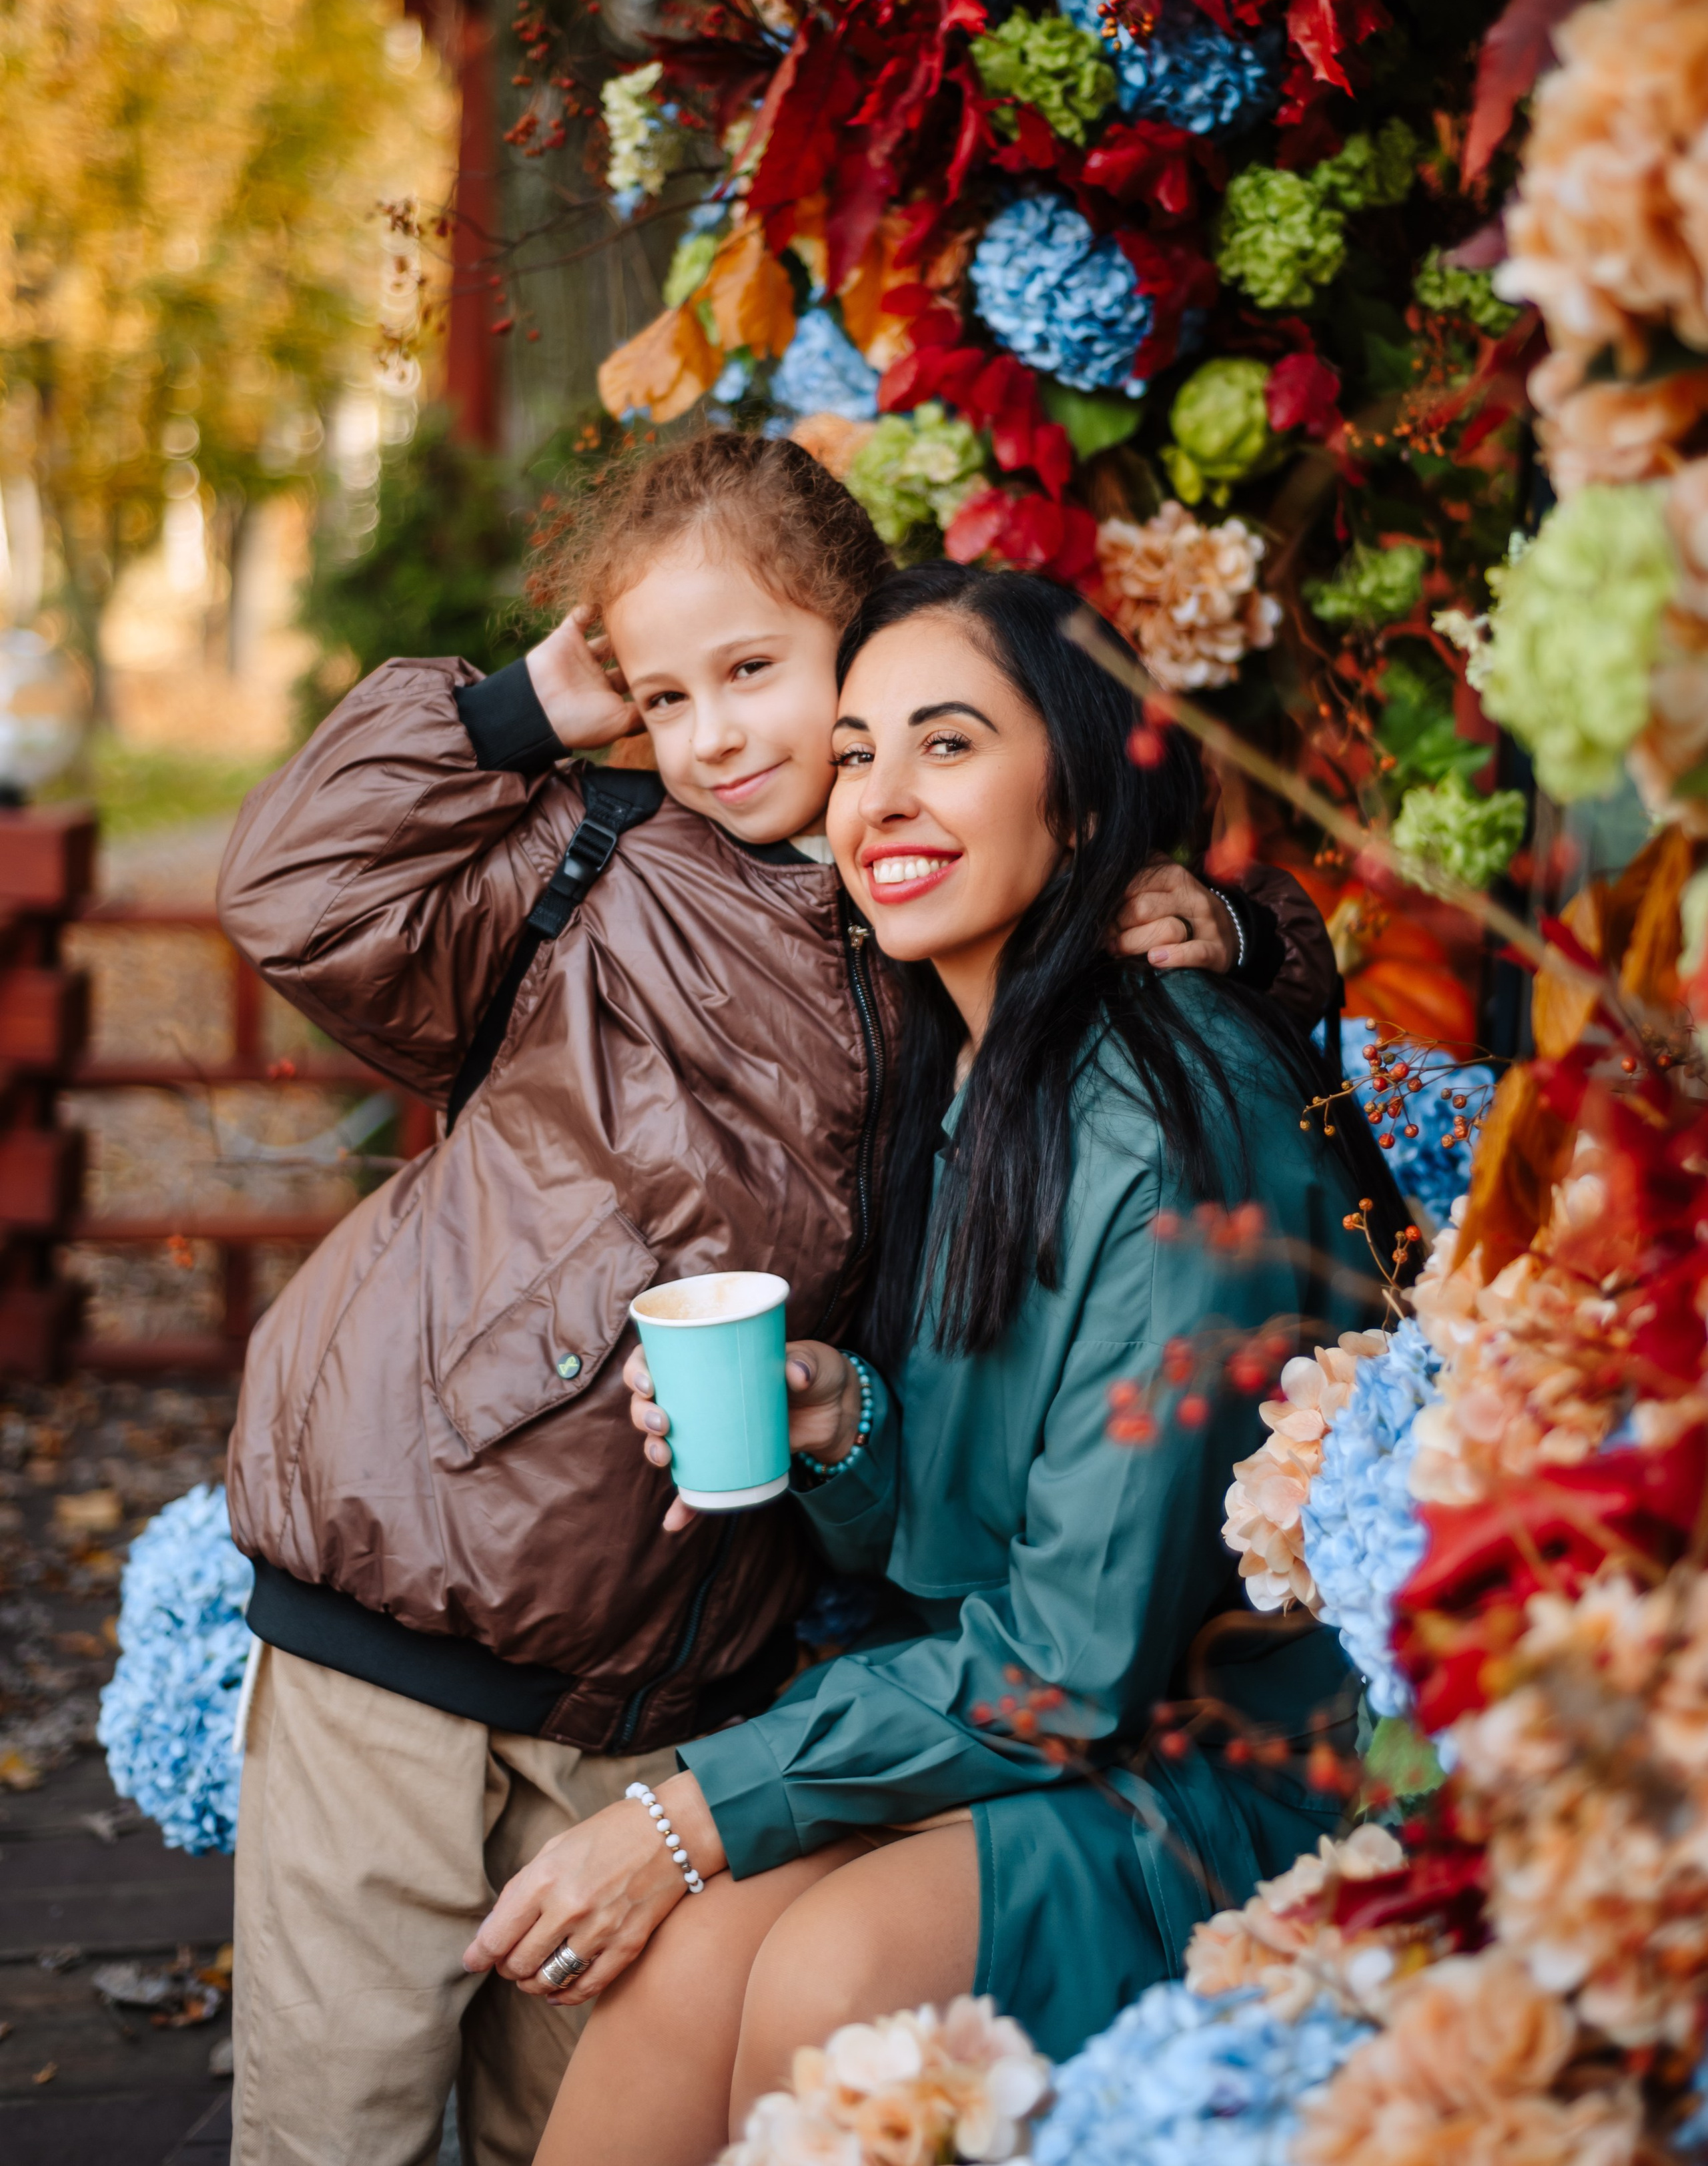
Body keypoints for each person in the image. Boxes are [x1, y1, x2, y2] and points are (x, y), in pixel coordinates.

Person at [216, 436, 1338, 2166]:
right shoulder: (615, 871)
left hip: (697, 1664)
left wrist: (1242, 934)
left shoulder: (1008, 1029)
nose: (735, 737)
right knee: (359, 2097)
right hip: (420, 1547)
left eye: (763, 677)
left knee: (626, 2025)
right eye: (670, 694)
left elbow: (1059, 1600)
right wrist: (536, 702)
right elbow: (295, 887)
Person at [462, 565, 1404, 2166]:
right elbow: (968, 1542)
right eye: (850, 754)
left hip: (1223, 1769)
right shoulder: (978, 1067)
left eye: (946, 746)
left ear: (1082, 785)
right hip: (1057, 1724)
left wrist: (682, 1812)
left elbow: (1072, 1655)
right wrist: (842, 1421)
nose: (878, 799)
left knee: (830, 1970)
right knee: (689, 1959)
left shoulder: (1168, 1112)